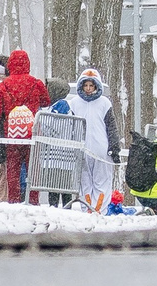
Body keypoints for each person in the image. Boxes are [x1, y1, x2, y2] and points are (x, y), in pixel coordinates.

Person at [49, 65, 120, 211]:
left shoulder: (104, 103)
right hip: (82, 149)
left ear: (96, 86)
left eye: (91, 85)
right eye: (86, 85)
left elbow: (111, 127)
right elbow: (68, 126)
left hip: (101, 150)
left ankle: (99, 210)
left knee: (102, 182)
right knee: (85, 182)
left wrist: (114, 147)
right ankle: (87, 209)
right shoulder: (74, 103)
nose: (88, 88)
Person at [0, 49, 49, 201]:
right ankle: (33, 200)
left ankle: (14, 201)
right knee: (33, 170)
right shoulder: (35, 83)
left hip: (11, 134)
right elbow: (46, 101)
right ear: (27, 64)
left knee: (13, 171)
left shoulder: (3, 85)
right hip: (31, 133)